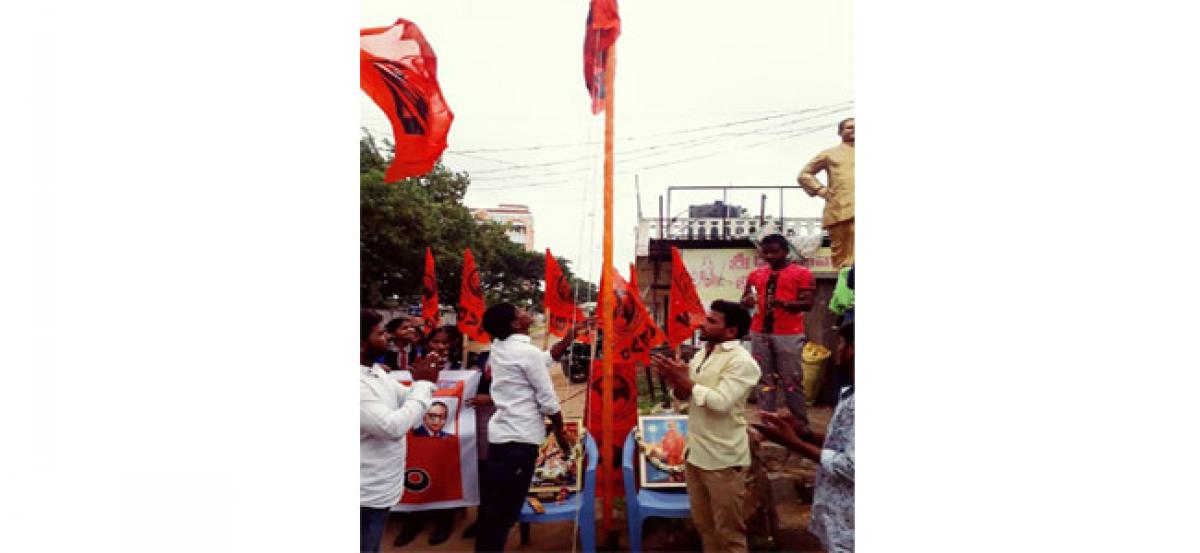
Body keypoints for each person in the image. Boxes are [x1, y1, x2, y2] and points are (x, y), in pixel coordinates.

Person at [651, 300, 761, 553]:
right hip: (696, 455)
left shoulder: (742, 362)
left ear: (731, 331)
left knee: (729, 534)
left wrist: (685, 382)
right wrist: (675, 380)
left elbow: (720, 402)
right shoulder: (703, 352)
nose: (703, 323)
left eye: (712, 321)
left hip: (723, 460)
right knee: (705, 527)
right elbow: (686, 396)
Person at [474, 302, 581, 552]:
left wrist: (569, 338)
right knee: (504, 513)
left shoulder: (500, 346)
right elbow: (548, 401)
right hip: (520, 442)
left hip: (502, 438)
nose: (526, 311)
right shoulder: (524, 353)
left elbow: (544, 359)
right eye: (519, 311)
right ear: (514, 323)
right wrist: (560, 433)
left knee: (494, 508)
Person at [757, 322, 854, 553]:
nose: (837, 349)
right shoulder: (850, 394)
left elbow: (851, 466)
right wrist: (805, 434)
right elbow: (842, 445)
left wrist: (794, 443)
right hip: (839, 521)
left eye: (840, 342)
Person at [360, 309, 442, 553]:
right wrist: (425, 384)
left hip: (379, 486)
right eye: (380, 333)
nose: (387, 337)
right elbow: (393, 426)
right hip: (363, 493)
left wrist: (423, 381)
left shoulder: (374, 372)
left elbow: (408, 399)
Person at [394, 325, 470, 548]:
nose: (441, 347)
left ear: (454, 345)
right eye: (436, 342)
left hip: (449, 434)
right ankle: (412, 521)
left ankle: (444, 521)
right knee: (414, 472)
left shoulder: (463, 367)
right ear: (427, 344)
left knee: (444, 471)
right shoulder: (414, 366)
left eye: (446, 343)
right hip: (415, 434)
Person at [741, 233, 816, 430]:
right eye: (766, 252)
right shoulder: (755, 275)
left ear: (785, 251)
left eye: (775, 252)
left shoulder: (802, 273)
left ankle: (800, 425)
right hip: (759, 332)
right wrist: (747, 301)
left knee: (792, 380)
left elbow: (808, 304)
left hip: (789, 334)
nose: (770, 256)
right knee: (764, 380)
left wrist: (784, 303)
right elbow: (745, 298)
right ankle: (768, 424)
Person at [798, 117, 855, 268]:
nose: (854, 130)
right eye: (849, 127)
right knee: (843, 257)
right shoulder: (829, 154)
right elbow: (804, 175)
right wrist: (820, 190)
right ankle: (845, 283)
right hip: (840, 208)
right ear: (840, 132)